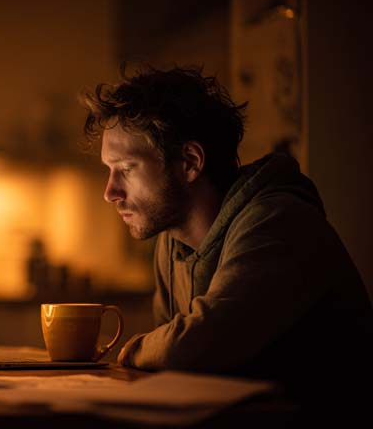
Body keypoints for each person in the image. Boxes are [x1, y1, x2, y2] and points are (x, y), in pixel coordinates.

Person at [82, 65, 373, 422]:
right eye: (109, 171)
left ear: (189, 162)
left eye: (126, 169)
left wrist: (137, 348)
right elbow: (172, 373)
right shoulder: (170, 241)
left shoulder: (279, 221)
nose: (109, 192)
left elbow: (192, 348)